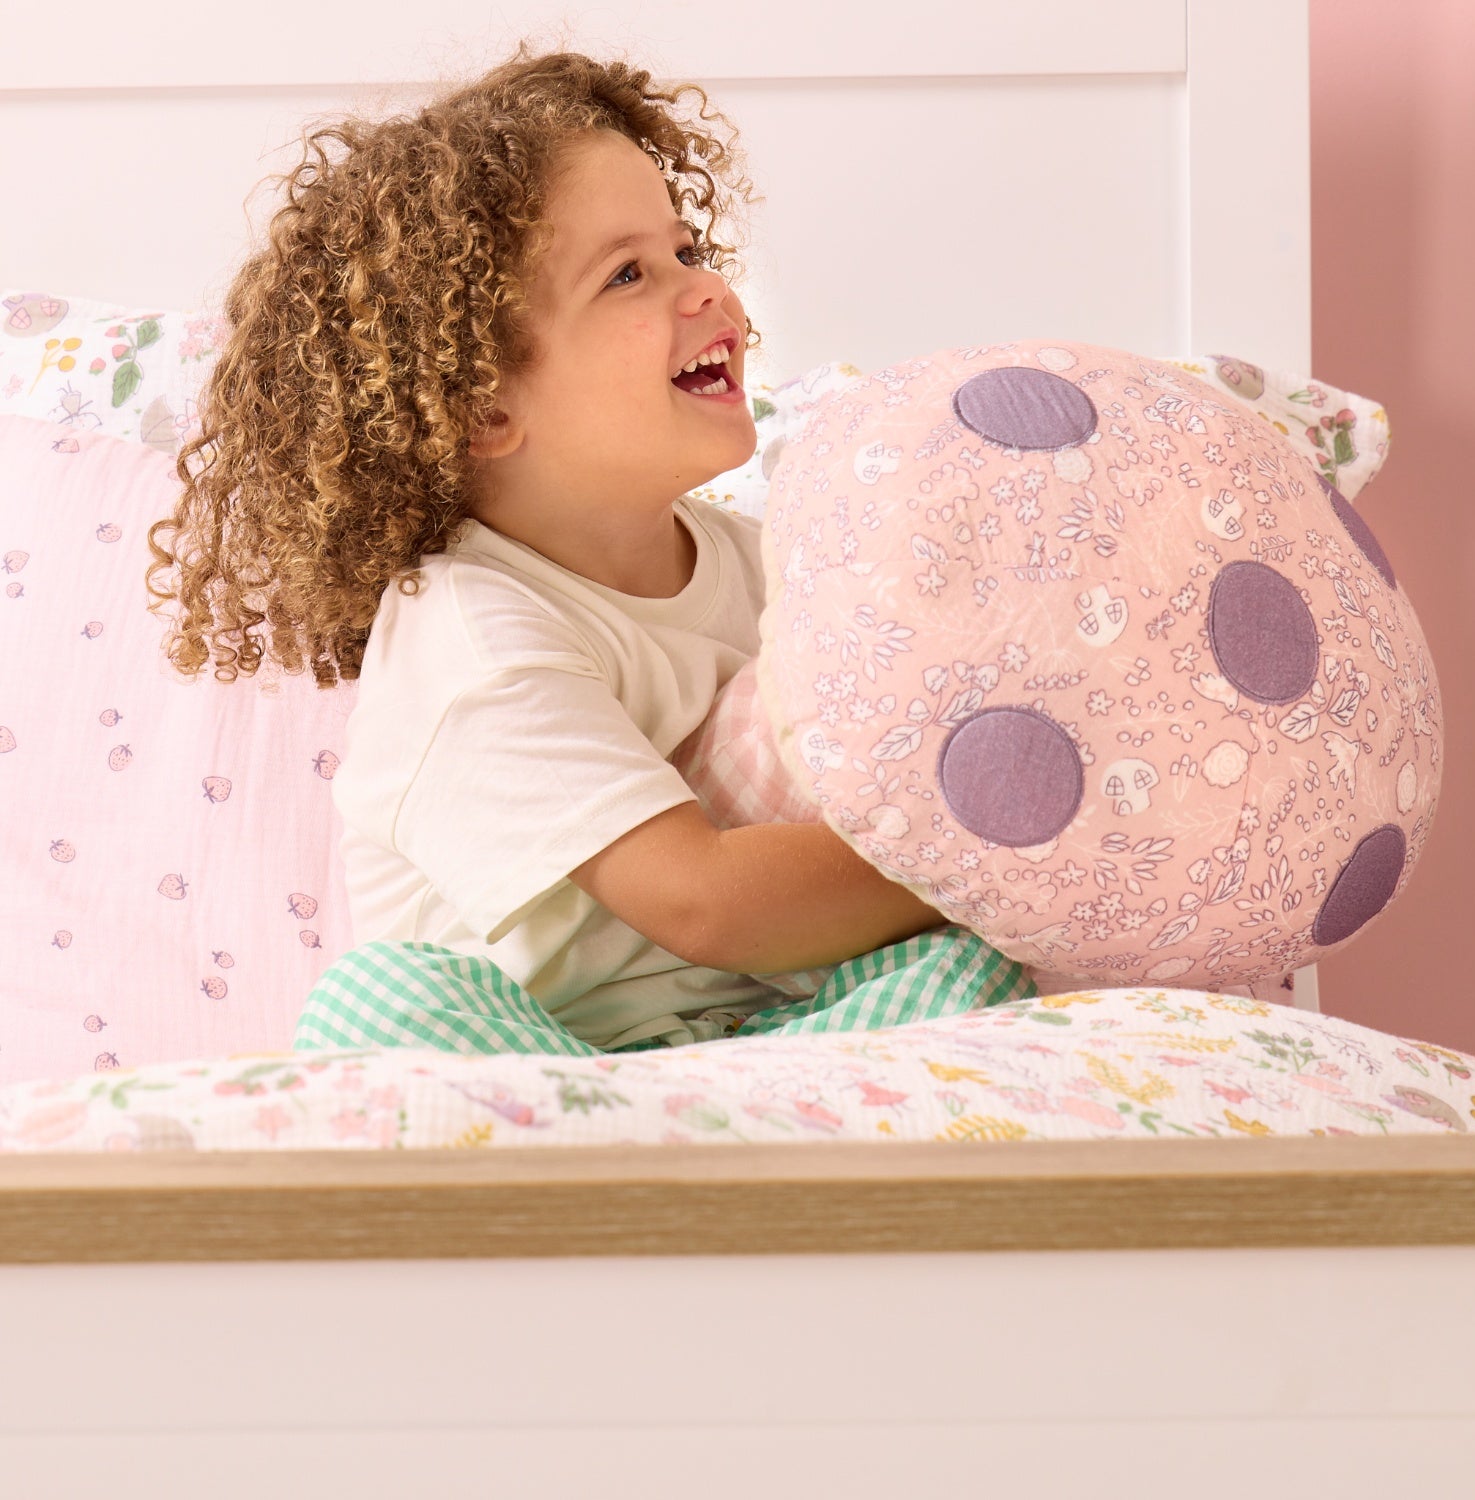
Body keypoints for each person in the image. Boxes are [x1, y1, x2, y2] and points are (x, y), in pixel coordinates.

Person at [146, 43, 1030, 1058]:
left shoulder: (775, 563)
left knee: (972, 971)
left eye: (687, 251)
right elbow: (702, 902)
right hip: (548, 1066)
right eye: (628, 275)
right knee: (384, 1002)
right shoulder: (470, 635)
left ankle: (763, 1138)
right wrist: (992, 858)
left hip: (767, 1041)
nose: (707, 292)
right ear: (482, 406)